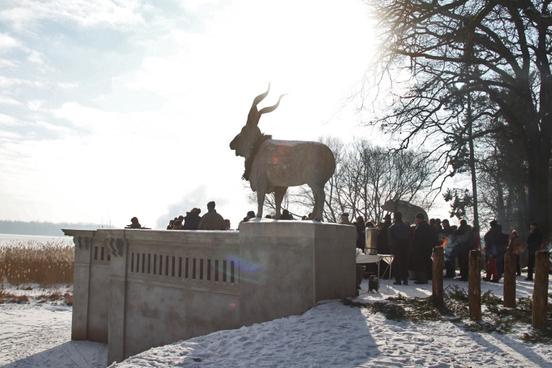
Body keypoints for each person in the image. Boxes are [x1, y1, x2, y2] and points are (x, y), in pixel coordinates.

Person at [411, 213, 437, 284]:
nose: (415, 220)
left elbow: (419, 239)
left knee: (420, 264)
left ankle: (422, 279)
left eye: (416, 219)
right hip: (427, 248)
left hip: (421, 249)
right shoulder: (427, 227)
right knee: (424, 263)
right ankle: (424, 278)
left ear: (419, 219)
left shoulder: (421, 227)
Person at [389, 211, 410, 285]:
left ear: (395, 217)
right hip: (405, 247)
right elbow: (409, 237)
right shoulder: (406, 226)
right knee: (404, 263)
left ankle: (398, 280)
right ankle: (405, 279)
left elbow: (390, 239)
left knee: (397, 264)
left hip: (396, 248)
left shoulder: (392, 227)